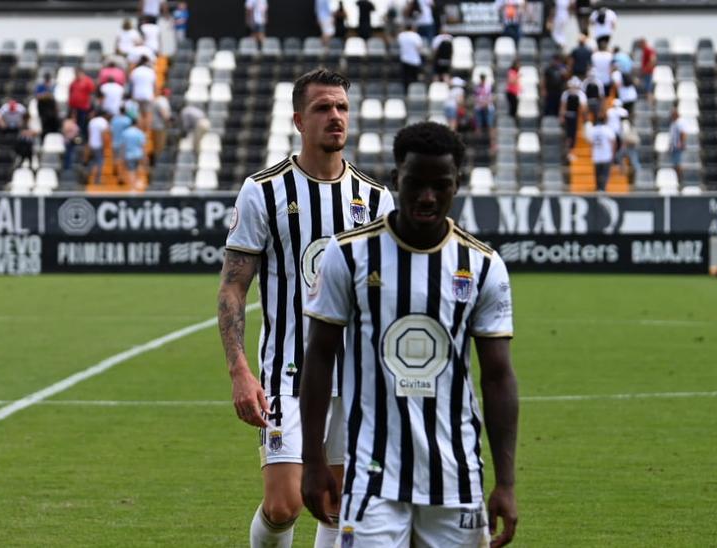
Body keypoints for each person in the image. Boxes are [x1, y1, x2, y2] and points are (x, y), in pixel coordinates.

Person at [299, 121, 518, 548]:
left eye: (442, 185)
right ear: (397, 179)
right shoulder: (348, 254)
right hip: (371, 477)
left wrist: (506, 483)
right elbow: (320, 356)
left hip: (456, 478)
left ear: (458, 184)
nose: (428, 197)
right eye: (416, 183)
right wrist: (313, 460)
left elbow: (498, 377)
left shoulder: (483, 265)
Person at [218, 68, 395, 548]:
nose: (335, 117)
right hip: (286, 372)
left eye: (341, 107)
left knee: (333, 503)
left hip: (353, 375)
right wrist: (240, 370)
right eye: (322, 108)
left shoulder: (376, 199)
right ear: (299, 120)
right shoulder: (264, 190)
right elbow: (233, 288)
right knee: (283, 505)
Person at [586, 112, 616, 192]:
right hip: (606, 155)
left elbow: (590, 142)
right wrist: (613, 154)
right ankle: (602, 189)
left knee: (597, 174)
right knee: (605, 174)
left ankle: (598, 188)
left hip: (597, 155)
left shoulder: (593, 130)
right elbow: (613, 142)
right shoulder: (607, 129)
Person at [561, 77, 586, 162]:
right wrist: (562, 116)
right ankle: (569, 152)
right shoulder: (566, 94)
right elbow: (563, 106)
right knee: (569, 136)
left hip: (575, 117)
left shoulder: (580, 95)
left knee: (572, 136)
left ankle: (570, 152)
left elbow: (583, 108)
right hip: (569, 116)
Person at [86, 111, 110, 185]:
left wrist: (89, 145)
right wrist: (105, 145)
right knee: (100, 162)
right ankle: (97, 179)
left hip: (91, 144)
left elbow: (89, 133)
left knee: (92, 161)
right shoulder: (103, 121)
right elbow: (104, 134)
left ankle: (87, 177)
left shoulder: (92, 121)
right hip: (99, 144)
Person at [120, 122, 146, 186]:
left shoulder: (125, 133)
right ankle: (138, 182)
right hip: (138, 154)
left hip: (129, 155)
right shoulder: (140, 132)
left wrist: (122, 156)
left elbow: (123, 146)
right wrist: (144, 156)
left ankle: (132, 185)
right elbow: (142, 145)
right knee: (139, 168)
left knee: (131, 170)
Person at [542, 54, 567, 118]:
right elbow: (544, 80)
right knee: (549, 106)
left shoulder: (562, 69)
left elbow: (566, 79)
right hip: (550, 91)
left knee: (558, 106)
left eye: (557, 61)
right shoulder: (548, 69)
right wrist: (544, 89)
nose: (555, 62)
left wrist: (564, 73)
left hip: (559, 91)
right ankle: (548, 118)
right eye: (554, 60)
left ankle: (557, 118)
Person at [668, 108, 686, 180]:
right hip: (674, 146)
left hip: (677, 147)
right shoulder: (674, 123)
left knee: (678, 164)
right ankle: (676, 179)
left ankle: (680, 179)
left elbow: (683, 133)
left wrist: (681, 143)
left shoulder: (680, 122)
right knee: (675, 164)